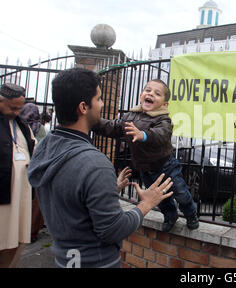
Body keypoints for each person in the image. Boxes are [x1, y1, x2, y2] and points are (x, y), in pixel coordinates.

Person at [27, 68, 174, 268]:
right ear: (83, 107)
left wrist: (107, 190)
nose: (103, 104)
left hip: (65, 259)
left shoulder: (44, 147)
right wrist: (147, 203)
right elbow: (113, 229)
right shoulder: (94, 164)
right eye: (99, 99)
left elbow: (70, 198)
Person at [93, 79, 199, 232]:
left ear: (164, 104)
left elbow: (161, 135)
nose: (151, 94)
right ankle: (170, 215)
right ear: (141, 95)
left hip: (166, 167)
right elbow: (113, 127)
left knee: (180, 192)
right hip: (145, 169)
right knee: (159, 199)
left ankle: (191, 213)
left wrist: (143, 135)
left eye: (157, 93)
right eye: (148, 90)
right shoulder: (130, 116)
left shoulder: (163, 119)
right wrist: (93, 123)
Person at [0, 83, 35, 268]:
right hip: (3, 195)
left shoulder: (21, 125)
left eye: (19, 108)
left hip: (20, 196)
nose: (16, 112)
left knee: (17, 240)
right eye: (12, 107)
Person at [19, 102, 47, 242]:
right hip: (37, 169)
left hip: (21, 169)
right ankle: (31, 232)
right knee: (35, 202)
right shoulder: (40, 128)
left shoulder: (19, 126)